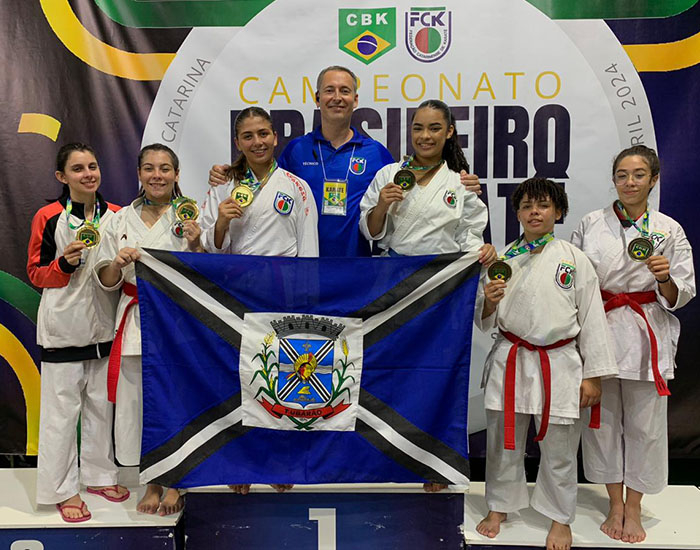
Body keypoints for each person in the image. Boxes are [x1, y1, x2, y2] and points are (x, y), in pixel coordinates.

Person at [474, 178, 617, 550]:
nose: (534, 212)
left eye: (542, 205)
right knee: (502, 443)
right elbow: (484, 319)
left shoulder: (574, 259)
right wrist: (489, 302)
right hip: (510, 360)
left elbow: (593, 319)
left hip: (559, 363)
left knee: (560, 447)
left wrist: (593, 376)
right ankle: (499, 506)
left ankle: (559, 516)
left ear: (559, 212)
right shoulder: (502, 260)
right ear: (517, 213)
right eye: (526, 206)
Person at [208, 66, 483, 257]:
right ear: (317, 99)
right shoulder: (296, 150)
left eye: (344, 91)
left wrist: (460, 182)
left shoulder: (377, 153)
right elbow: (267, 182)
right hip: (304, 262)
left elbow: (410, 193)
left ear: (355, 99)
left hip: (357, 264)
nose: (337, 97)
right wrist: (227, 173)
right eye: (329, 90)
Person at [571, 145, 695, 544]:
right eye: (622, 175)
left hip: (645, 333)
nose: (629, 182)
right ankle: (615, 503)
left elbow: (681, 293)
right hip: (601, 326)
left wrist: (663, 277)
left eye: (638, 174)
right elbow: (576, 281)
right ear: (614, 180)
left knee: (646, 426)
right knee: (602, 423)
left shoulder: (669, 229)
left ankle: (635, 504)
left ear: (653, 179)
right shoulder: (591, 223)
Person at [95, 144, 202, 516]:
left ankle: (176, 483)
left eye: (165, 168)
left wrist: (196, 243)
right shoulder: (119, 219)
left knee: (177, 398)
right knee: (141, 404)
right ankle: (151, 481)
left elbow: (204, 272)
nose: (158, 175)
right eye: (150, 168)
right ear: (139, 173)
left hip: (176, 318)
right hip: (135, 315)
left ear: (176, 174)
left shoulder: (189, 214)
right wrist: (116, 262)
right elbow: (106, 279)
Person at [27, 142, 128, 522]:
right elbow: (36, 273)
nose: (88, 174)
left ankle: (99, 475)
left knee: (102, 407)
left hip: (105, 327)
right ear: (62, 176)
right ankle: (61, 489)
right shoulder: (48, 216)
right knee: (61, 415)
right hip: (64, 328)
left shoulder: (116, 214)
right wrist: (64, 265)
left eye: (92, 166)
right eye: (78, 169)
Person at [359, 99, 494, 264]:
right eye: (418, 128)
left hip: (441, 274)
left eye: (434, 129)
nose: (424, 136)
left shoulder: (460, 182)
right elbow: (370, 233)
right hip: (396, 271)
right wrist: (381, 206)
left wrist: (482, 251)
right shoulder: (388, 174)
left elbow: (469, 234)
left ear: (449, 131)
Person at [200, 106, 318, 257]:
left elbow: (309, 249)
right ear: (237, 143)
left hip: (282, 272)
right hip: (235, 271)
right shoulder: (223, 185)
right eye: (248, 136)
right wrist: (220, 225)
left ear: (275, 138)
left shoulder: (297, 187)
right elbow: (206, 249)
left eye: (263, 134)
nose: (257, 142)